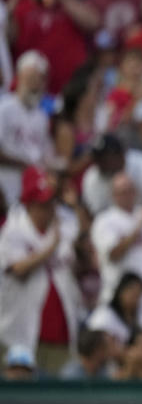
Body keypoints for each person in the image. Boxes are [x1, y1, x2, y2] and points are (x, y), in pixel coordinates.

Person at [0, 167, 82, 373]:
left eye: (51, 203)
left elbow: (79, 262)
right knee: (19, 395)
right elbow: (18, 269)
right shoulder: (13, 230)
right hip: (18, 332)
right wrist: (49, 249)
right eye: (42, 204)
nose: (49, 209)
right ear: (29, 204)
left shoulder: (64, 224)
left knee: (58, 395)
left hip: (59, 332)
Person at [90, 172, 142, 327]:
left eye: (130, 190)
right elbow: (113, 254)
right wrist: (136, 230)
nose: (127, 195)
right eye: (122, 192)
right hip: (119, 299)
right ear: (113, 195)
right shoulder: (105, 220)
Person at [0, 50, 53, 207]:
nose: (34, 85)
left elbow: (44, 154)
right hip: (5, 180)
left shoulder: (41, 116)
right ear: (20, 77)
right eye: (30, 78)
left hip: (31, 186)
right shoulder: (4, 107)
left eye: (39, 79)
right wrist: (26, 165)